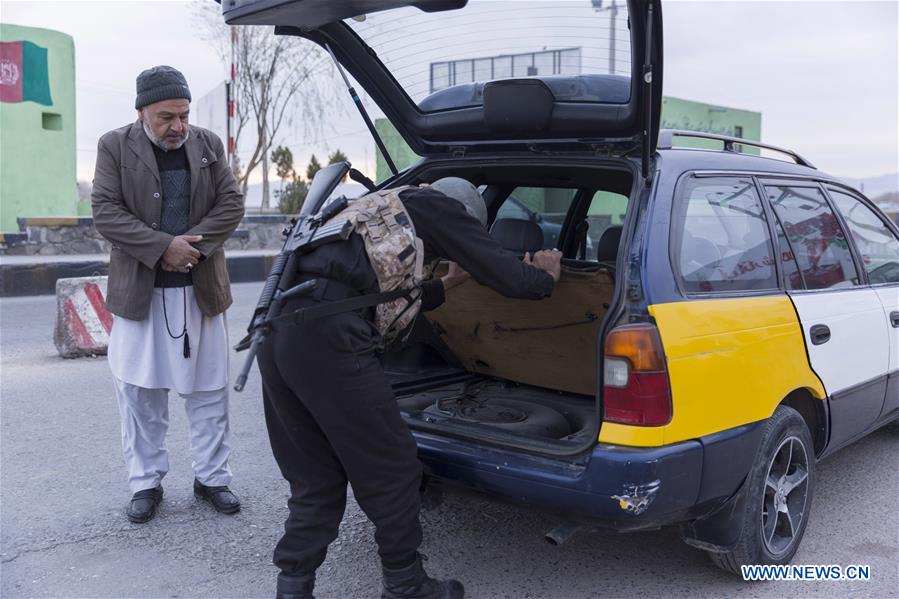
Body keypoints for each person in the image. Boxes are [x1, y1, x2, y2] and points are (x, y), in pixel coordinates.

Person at [257, 177, 562, 599]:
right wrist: (544, 277)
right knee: (394, 466)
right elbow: (510, 278)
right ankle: (406, 584)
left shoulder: (375, 207)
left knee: (314, 474)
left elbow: (379, 293)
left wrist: (448, 284)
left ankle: (293, 587)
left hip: (277, 332)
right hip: (329, 338)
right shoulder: (442, 208)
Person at [91, 65, 245, 524]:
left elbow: (231, 203)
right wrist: (163, 249)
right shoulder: (113, 146)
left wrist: (189, 248)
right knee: (140, 395)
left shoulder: (208, 144)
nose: (179, 126)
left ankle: (213, 478)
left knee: (209, 391)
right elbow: (105, 211)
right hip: (141, 293)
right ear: (141, 113)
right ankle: (145, 483)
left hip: (201, 290)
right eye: (166, 117)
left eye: (184, 114)